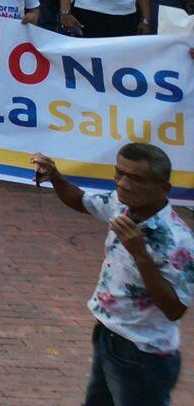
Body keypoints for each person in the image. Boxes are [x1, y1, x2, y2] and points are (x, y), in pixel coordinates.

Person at [32, 143, 194, 406]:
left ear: (164, 188)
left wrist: (140, 254)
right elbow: (82, 201)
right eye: (120, 173)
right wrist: (56, 177)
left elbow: (175, 309)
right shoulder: (122, 205)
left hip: (143, 354)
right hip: (108, 336)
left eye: (136, 179)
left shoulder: (177, 241)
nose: (123, 184)